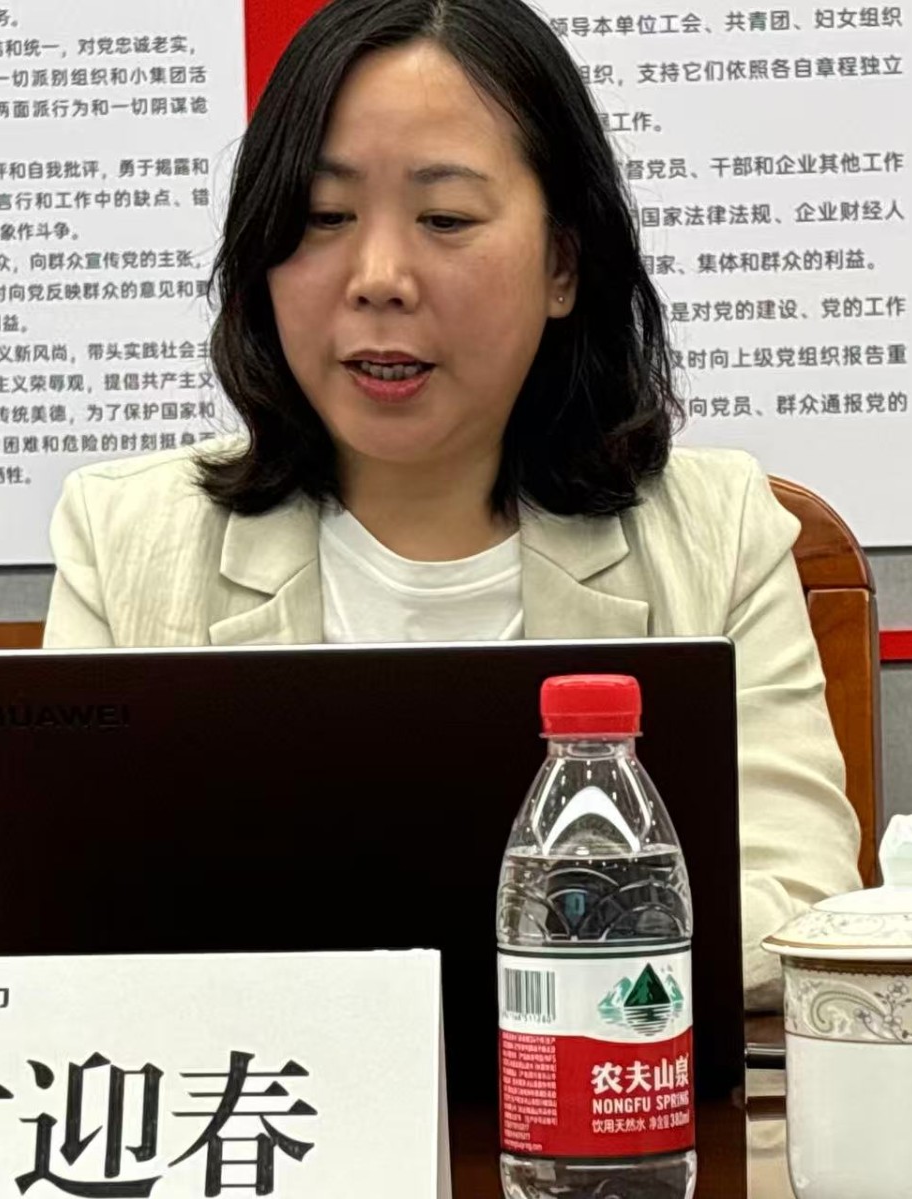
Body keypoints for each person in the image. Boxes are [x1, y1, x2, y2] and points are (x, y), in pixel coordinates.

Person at [43, 0, 859, 1007]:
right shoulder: (127, 535)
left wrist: (471, 974)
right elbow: (69, 932)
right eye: (323, 217)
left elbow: (797, 905)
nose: (379, 278)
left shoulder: (717, 530)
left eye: (445, 220)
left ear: (562, 263)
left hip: (602, 1089)